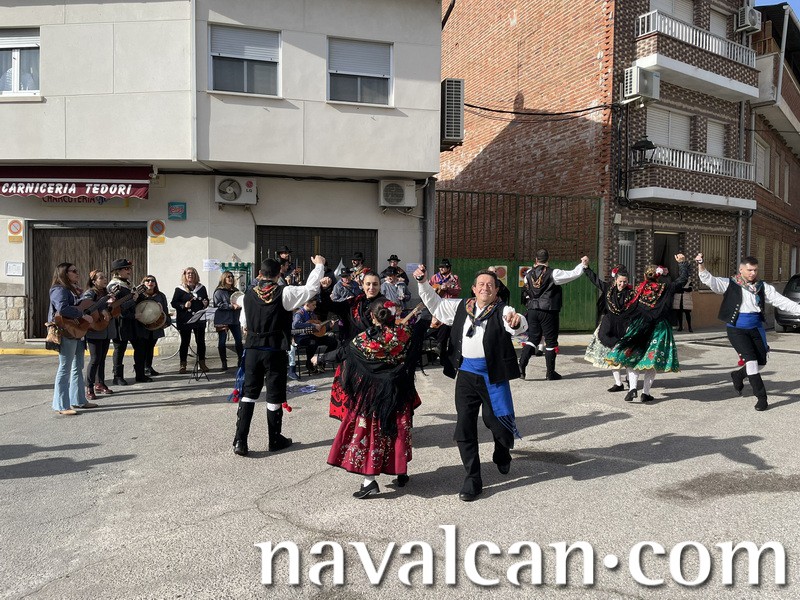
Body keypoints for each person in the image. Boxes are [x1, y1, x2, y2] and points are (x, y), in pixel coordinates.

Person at [414, 265, 527, 502]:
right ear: (474, 289)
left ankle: (502, 451)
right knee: (464, 426)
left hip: (493, 375)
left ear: (496, 290)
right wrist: (423, 283)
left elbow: (516, 323)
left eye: (490, 285)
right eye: (481, 284)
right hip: (466, 374)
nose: (485, 288)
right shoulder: (461, 307)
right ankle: (473, 479)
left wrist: (517, 323)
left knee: (497, 423)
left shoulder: (502, 310)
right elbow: (436, 305)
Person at [232, 255, 326, 456]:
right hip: (274, 350)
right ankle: (274, 439)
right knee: (274, 395)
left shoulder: (247, 296)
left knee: (249, 393)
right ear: (278, 274)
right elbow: (310, 289)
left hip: (253, 350)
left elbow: (244, 323)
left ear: (260, 274)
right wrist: (319, 266)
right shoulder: (285, 292)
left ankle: (240, 441)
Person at [327, 299, 418, 498]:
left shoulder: (363, 340)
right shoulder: (405, 334)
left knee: (372, 434)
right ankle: (401, 471)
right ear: (393, 315)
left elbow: (343, 353)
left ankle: (369, 481)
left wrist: (320, 358)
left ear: (373, 317)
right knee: (397, 430)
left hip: (372, 395)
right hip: (398, 391)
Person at [696, 253, 800, 411]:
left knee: (761, 363)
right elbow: (710, 280)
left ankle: (738, 375)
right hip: (736, 329)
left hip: (756, 328)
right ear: (741, 269)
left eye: (755, 270)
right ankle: (762, 398)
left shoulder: (763, 287)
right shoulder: (729, 283)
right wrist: (701, 264)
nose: (753, 273)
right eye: (750, 270)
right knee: (751, 362)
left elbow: (782, 301)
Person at [606, 255, 689, 402]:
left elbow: (628, 306)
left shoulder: (638, 289)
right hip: (659, 328)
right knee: (651, 361)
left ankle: (632, 389)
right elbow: (682, 280)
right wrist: (682, 264)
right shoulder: (666, 287)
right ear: (658, 276)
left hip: (639, 326)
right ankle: (645, 393)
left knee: (631, 358)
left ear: (645, 276)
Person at [518, 251, 588, 381]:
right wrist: (582, 265)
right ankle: (550, 373)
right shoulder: (554, 273)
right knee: (550, 341)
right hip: (548, 310)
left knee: (532, 339)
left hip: (532, 310)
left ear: (536, 259)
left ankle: (521, 367)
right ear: (547, 259)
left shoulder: (528, 275)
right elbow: (573, 274)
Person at [49, 263, 98, 414]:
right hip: (66, 332)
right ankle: (61, 405)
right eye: (74, 271)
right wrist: (82, 315)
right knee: (65, 368)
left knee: (78, 366)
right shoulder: (59, 289)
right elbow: (62, 309)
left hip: (77, 331)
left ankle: (78, 400)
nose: (77, 273)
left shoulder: (73, 289)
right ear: (64, 273)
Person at [582, 264, 636, 392]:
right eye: (620, 281)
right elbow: (595, 280)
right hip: (610, 322)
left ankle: (630, 379)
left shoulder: (631, 293)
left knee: (627, 353)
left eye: (625, 282)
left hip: (624, 324)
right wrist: (586, 268)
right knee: (611, 351)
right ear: (615, 280)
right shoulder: (608, 288)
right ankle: (618, 383)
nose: (622, 284)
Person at [107, 259, 142, 385]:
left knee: (139, 347)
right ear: (117, 271)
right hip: (121, 322)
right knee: (119, 349)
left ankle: (140, 374)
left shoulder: (127, 284)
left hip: (132, 321)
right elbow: (116, 307)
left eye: (130, 268)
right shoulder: (113, 286)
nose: (129, 271)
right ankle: (117, 376)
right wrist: (133, 301)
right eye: (126, 268)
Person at [82, 270, 116, 399]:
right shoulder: (90, 293)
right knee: (95, 359)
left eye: (105, 277)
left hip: (105, 329)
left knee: (102, 358)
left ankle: (100, 383)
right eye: (101, 278)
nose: (105, 279)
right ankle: (89, 387)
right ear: (94, 281)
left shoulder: (107, 293)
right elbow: (86, 307)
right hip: (94, 330)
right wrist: (102, 309)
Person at [171, 267, 209, 374]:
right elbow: (174, 303)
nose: (190, 275)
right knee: (185, 342)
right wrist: (183, 305)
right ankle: (183, 364)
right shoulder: (179, 289)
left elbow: (205, 299)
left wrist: (205, 303)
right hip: (185, 319)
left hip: (199, 319)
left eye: (192, 273)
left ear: (196, 275)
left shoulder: (201, 288)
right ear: (185, 275)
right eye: (188, 273)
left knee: (200, 342)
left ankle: (202, 363)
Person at [136, 275, 170, 377]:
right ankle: (141, 368)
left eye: (152, 281)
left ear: (155, 284)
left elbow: (165, 310)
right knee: (142, 347)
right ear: (143, 283)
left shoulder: (160, 296)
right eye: (147, 281)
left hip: (155, 326)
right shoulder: (139, 296)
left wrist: (166, 322)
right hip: (142, 326)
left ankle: (148, 366)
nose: (150, 282)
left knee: (151, 347)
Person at [292, 297, 338, 375]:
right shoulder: (299, 313)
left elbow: (317, 330)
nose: (315, 306)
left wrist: (329, 327)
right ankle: (309, 365)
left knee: (333, 342)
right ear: (307, 304)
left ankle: (321, 362)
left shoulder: (313, 314)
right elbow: (296, 324)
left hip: (313, 336)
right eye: (313, 305)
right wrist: (311, 324)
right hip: (302, 337)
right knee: (313, 343)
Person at [213, 271, 244, 371]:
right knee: (222, 342)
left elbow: (240, 301)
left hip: (234, 319)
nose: (230, 278)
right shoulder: (219, 291)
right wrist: (231, 306)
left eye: (231, 276)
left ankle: (240, 360)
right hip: (223, 319)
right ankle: (224, 362)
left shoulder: (236, 291)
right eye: (228, 277)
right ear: (224, 278)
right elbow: (218, 304)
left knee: (239, 341)